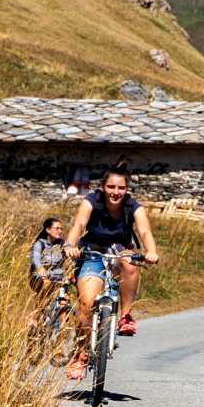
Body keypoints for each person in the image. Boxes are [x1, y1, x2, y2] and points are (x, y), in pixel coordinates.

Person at [62, 161, 160, 380]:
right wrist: (70, 245)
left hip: (118, 252)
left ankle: (125, 316)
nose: (116, 192)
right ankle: (80, 355)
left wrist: (151, 251)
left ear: (127, 189)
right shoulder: (91, 202)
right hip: (92, 253)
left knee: (130, 261)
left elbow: (144, 232)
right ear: (103, 187)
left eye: (121, 188)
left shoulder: (133, 207)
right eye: (111, 187)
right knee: (86, 304)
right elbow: (78, 225)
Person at [30, 217, 67, 292]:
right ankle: (42, 302)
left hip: (57, 277)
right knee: (46, 288)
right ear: (48, 230)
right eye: (57, 228)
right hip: (41, 277)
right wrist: (44, 276)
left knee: (63, 300)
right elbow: (36, 261)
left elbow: (68, 247)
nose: (60, 231)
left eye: (61, 229)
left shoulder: (61, 243)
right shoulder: (39, 244)